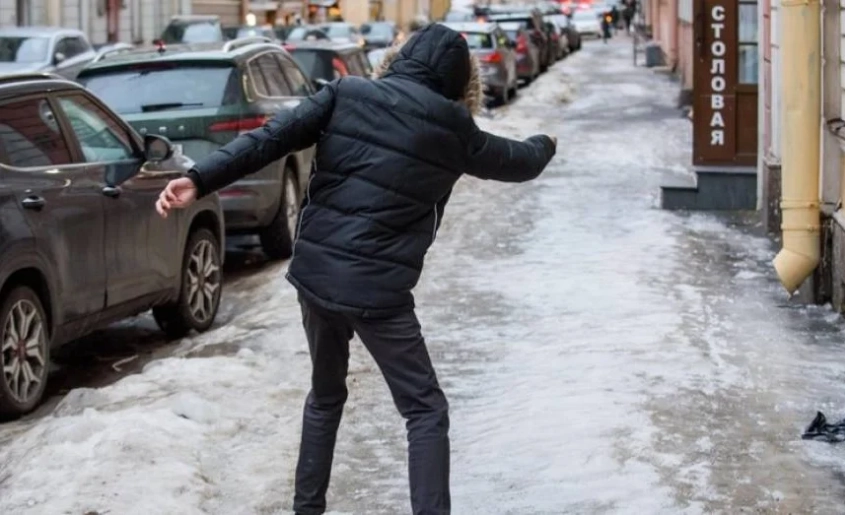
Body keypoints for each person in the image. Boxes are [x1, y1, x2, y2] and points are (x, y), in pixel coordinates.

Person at [155, 24, 556, 515]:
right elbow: (520, 161)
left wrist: (198, 178)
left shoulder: (347, 93)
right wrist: (547, 142)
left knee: (325, 397)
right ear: (459, 81)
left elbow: (269, 139)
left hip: (317, 278)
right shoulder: (455, 131)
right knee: (425, 410)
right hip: (380, 295)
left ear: (401, 57)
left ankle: (308, 509)